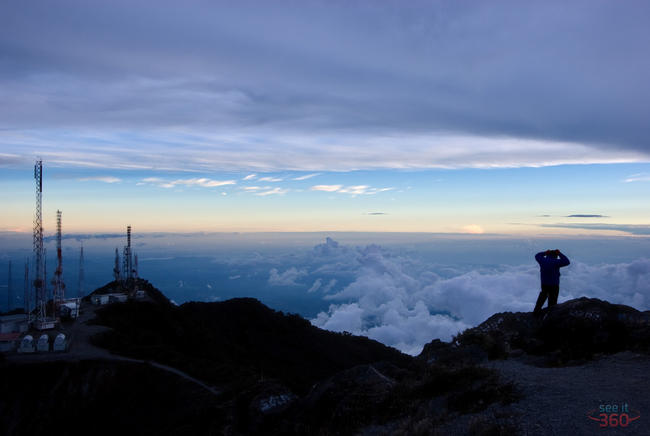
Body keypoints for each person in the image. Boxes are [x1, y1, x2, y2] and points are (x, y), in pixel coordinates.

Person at [533, 249, 570, 315]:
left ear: (548, 255)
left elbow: (537, 255)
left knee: (542, 296)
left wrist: (545, 252)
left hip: (544, 283)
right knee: (552, 300)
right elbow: (567, 262)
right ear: (556, 256)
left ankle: (536, 311)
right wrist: (559, 253)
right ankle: (550, 314)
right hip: (554, 284)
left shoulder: (543, 261)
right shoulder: (556, 262)